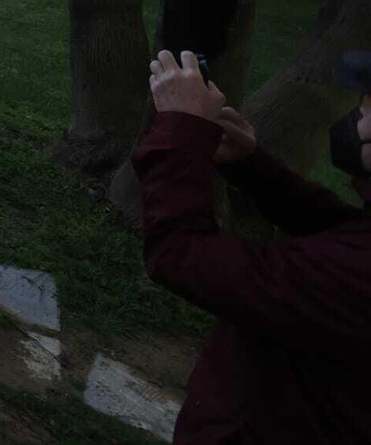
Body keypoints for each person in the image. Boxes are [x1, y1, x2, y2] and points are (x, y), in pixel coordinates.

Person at [132, 49, 371, 443]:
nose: (355, 122)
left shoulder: (354, 275)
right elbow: (343, 227)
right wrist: (251, 164)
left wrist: (180, 130)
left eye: (365, 112)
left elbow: (181, 254)